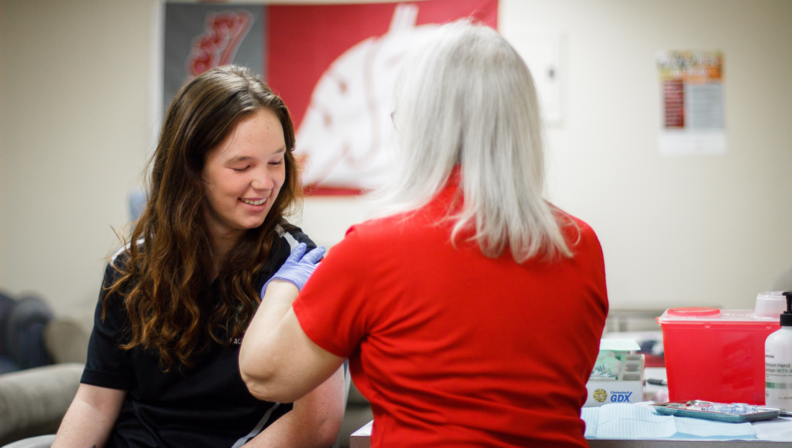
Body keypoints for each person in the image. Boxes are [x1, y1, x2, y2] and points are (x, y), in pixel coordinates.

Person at [239, 22, 608, 447]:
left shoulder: (373, 251)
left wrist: (287, 283)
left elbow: (264, 374)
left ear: (419, 125)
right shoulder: (580, 245)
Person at [52, 66, 345, 448]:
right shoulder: (130, 269)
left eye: (276, 162)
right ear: (191, 169)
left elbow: (316, 423)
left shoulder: (298, 269)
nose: (265, 182)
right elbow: (94, 403)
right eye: (242, 166)